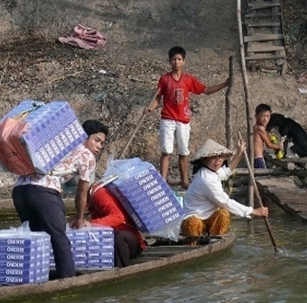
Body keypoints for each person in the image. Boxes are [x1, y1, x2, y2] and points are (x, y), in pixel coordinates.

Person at [11, 120, 108, 279]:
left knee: (36, 237)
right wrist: (80, 217)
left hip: (20, 191)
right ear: (84, 137)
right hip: (43, 193)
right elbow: (82, 193)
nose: (99, 146)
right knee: (60, 239)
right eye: (96, 140)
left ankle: (36, 277)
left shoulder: (59, 145)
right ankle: (68, 280)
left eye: (102, 143)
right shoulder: (87, 155)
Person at [145, 46, 230, 189]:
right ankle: (163, 181)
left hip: (183, 120)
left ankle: (184, 181)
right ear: (169, 61)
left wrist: (224, 84)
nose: (176, 62)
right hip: (167, 118)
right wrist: (150, 108)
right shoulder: (164, 80)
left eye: (179, 59)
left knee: (183, 152)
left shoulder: (188, 80)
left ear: (184, 61)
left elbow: (206, 90)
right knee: (166, 151)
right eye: (173, 59)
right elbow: (157, 97)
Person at [180, 138, 269, 238]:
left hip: (209, 218)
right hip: (194, 219)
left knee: (223, 214)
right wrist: (253, 211)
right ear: (204, 159)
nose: (218, 160)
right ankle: (194, 244)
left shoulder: (212, 171)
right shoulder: (205, 179)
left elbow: (226, 172)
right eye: (213, 157)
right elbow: (226, 202)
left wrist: (239, 153)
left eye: (220, 156)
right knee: (193, 223)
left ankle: (214, 239)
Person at [87, 185, 146, 268]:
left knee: (118, 236)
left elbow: (118, 217)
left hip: (128, 243)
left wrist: (92, 224)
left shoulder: (99, 194)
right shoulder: (93, 199)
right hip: (114, 245)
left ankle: (122, 269)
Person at [253, 103, 284, 168]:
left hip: (256, 158)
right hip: (258, 158)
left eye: (268, 116)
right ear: (256, 116)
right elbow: (269, 145)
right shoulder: (260, 128)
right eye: (263, 116)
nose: (265, 119)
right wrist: (279, 146)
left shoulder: (256, 127)